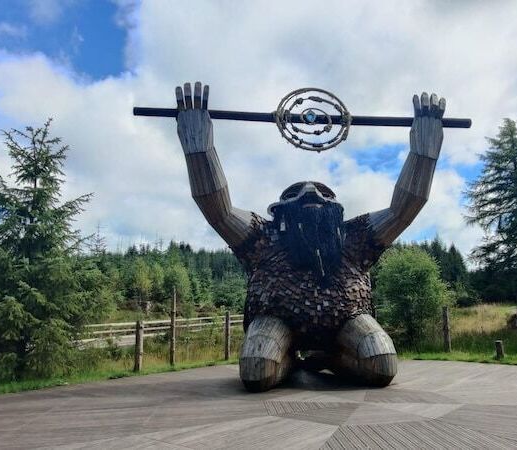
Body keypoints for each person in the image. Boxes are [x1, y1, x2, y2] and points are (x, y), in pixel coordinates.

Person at [174, 82, 445, 391]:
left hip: (349, 322)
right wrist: (198, 145)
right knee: (257, 369)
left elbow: (403, 209)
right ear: (280, 209)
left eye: (322, 193)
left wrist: (424, 149)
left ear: (336, 208)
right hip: (275, 321)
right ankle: (287, 360)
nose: (310, 193)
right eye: (295, 193)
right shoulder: (264, 237)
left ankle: (329, 357)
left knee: (381, 361)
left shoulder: (355, 238)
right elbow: (218, 209)